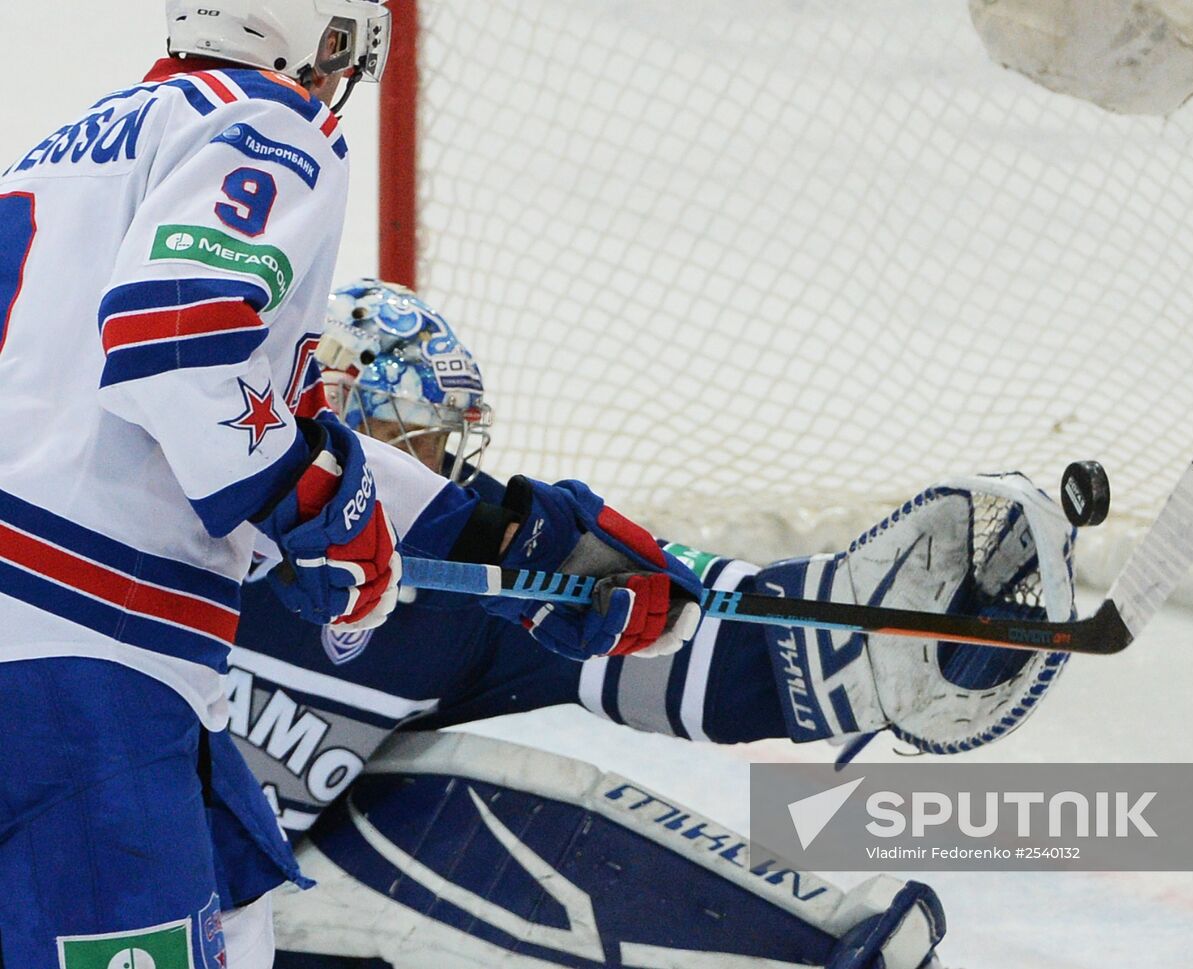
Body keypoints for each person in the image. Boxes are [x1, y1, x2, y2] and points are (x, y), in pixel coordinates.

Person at [0, 6, 697, 967]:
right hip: (79, 666)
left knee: (237, 913)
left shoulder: (61, 148)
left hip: (81, 656)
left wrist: (473, 533)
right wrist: (314, 506)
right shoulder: (262, 116)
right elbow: (173, 345)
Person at [229, 280, 1080, 968]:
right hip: (115, 898)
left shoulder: (462, 594)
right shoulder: (194, 537)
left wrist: (881, 641)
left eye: (441, 449)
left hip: (262, 920)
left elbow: (680, 646)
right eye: (401, 444)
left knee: (455, 806)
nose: (431, 480)